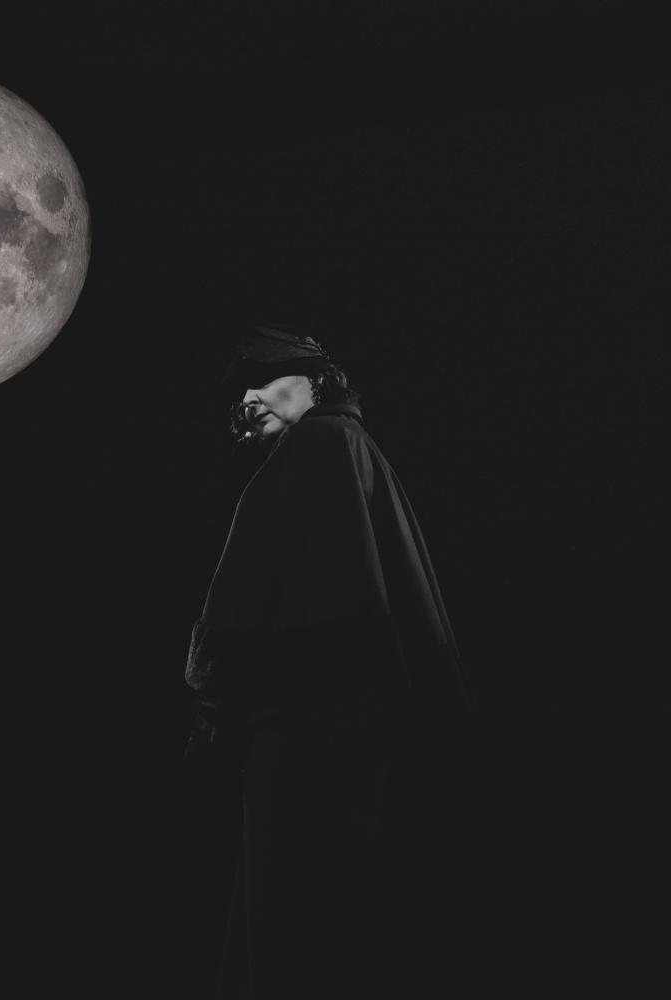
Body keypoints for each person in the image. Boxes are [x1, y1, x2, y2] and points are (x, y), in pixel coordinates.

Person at [184, 324, 472, 997]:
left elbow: (316, 609)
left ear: (317, 381)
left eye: (264, 377)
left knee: (292, 932)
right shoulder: (345, 448)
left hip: (308, 739)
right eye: (239, 390)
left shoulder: (322, 445)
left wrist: (218, 697)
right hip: (337, 739)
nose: (248, 397)